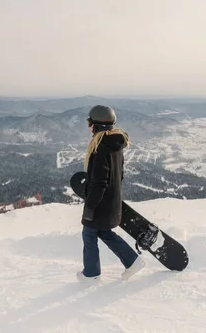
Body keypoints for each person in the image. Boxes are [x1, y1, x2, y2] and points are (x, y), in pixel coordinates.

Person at [77, 105, 145, 282]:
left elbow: (99, 183)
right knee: (103, 233)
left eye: (90, 123)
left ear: (97, 125)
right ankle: (132, 261)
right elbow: (119, 175)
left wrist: (90, 207)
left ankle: (91, 274)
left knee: (89, 234)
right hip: (111, 202)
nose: (89, 127)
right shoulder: (115, 146)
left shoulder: (100, 149)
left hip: (101, 204)